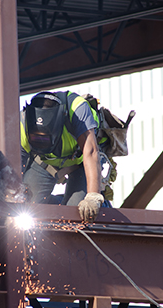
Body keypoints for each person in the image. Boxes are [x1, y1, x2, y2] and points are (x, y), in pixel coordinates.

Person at [20, 91, 104, 222]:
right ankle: (59, 202)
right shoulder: (22, 124)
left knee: (76, 212)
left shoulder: (77, 109)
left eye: (46, 138)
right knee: (29, 207)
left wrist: (93, 197)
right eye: (37, 138)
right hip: (43, 163)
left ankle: (100, 203)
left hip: (81, 162)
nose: (42, 141)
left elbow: (91, 152)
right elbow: (13, 170)